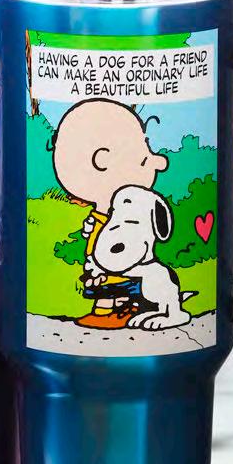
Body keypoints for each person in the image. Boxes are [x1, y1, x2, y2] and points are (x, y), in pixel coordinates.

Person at [52, 99, 169, 328]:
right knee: (106, 287)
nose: (159, 163)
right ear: (102, 161)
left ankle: (123, 307)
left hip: (122, 269)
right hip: (103, 268)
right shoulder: (107, 216)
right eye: (143, 158)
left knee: (118, 285)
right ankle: (108, 310)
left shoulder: (131, 215)